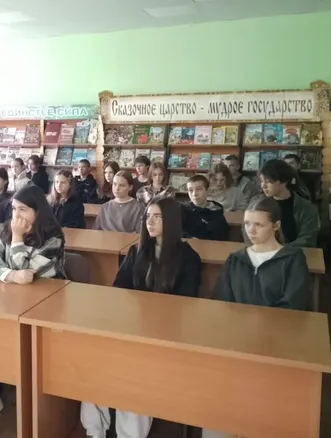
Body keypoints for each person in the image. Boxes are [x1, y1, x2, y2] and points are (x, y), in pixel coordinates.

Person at [82, 196, 202, 438]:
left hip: (164, 335)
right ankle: (95, 431)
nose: (150, 222)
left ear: (172, 221)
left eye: (157, 217)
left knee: (135, 378)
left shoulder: (188, 257)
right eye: (148, 216)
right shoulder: (137, 251)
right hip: (130, 328)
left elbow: (185, 304)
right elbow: (119, 289)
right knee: (94, 366)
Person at [204, 196, 311, 438]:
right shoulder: (235, 260)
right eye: (247, 224)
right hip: (236, 347)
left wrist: (256, 330)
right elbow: (221, 303)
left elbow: (293, 307)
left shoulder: (292, 259)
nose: (250, 230)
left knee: (261, 416)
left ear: (276, 225)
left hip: (274, 349)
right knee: (217, 411)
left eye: (258, 225)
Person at [0, 185, 65, 423]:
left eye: (23, 210)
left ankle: (35, 394)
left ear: (38, 211)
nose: (16, 215)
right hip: (9, 300)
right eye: (14, 209)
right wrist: (12, 275)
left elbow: (29, 274)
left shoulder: (53, 236)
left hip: (45, 306)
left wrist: (17, 241)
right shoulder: (8, 229)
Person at [258, 159, 319, 247]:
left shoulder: (307, 208)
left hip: (295, 252)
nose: (263, 186)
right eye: (261, 181)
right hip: (264, 251)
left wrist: (281, 249)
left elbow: (307, 239)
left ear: (284, 181)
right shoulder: (259, 205)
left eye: (269, 181)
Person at [181, 174, 229, 241]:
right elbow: (176, 231)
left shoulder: (217, 209)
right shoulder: (183, 210)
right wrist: (190, 238)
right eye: (190, 190)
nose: (194, 194)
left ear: (208, 190)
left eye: (199, 189)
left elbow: (223, 234)